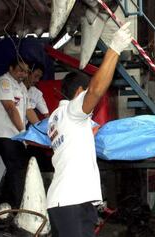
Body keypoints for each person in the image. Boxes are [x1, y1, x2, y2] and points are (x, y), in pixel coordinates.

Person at [46, 22, 132, 237]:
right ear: (78, 92)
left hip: (63, 202)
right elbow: (95, 90)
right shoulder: (73, 111)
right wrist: (114, 49)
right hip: (72, 201)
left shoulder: (56, 119)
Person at [0, 58, 39, 208]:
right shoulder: (3, 82)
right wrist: (23, 132)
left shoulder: (21, 87)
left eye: (26, 71)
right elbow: (10, 108)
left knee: (10, 163)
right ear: (11, 68)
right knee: (17, 167)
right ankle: (17, 204)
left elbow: (28, 110)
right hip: (0, 134)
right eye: (20, 70)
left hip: (13, 135)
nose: (23, 74)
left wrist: (40, 129)